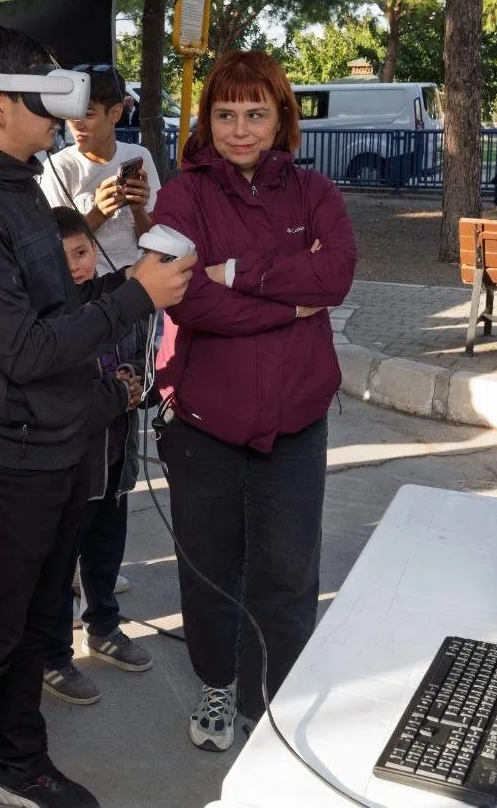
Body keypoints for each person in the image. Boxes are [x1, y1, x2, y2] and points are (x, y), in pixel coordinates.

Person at [0, 18, 194, 808]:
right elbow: (25, 350)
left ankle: (21, 760)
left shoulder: (18, 184)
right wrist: (136, 296)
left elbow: (54, 308)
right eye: (45, 100)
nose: (63, 117)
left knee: (36, 632)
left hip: (55, 451)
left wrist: (122, 285)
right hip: (2, 462)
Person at [151, 50, 356, 752]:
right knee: (211, 563)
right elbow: (191, 300)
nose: (240, 130)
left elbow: (337, 274)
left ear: (280, 118)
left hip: (297, 418)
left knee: (289, 569)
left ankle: (279, 695)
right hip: (206, 420)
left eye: (255, 114)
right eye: (226, 114)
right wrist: (287, 306)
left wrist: (238, 271)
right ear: (207, 120)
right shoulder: (182, 195)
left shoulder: (314, 190)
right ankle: (217, 681)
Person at [41, 207, 154, 709]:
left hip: (116, 456)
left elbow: (146, 364)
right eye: (62, 259)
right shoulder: (49, 318)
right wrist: (111, 391)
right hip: (70, 466)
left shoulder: (119, 302)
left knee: (107, 547)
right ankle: (53, 655)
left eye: (83, 252)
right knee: (60, 559)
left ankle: (104, 625)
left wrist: (135, 386)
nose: (77, 267)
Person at [40, 65, 160, 274]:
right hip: (86, 292)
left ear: (115, 113)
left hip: (134, 284)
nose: (76, 124)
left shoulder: (139, 156)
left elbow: (150, 241)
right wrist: (98, 214)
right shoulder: (58, 167)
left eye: (87, 114)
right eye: (71, 114)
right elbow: (54, 250)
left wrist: (137, 209)